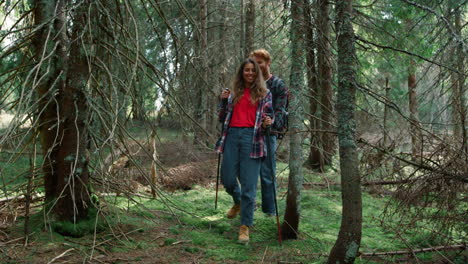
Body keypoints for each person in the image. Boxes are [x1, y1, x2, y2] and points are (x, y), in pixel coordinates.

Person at [216, 58, 274, 244]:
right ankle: (238, 201)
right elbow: (222, 117)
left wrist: (268, 121)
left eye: (252, 70)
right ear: (242, 73)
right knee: (227, 178)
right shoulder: (234, 93)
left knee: (249, 186)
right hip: (232, 136)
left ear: (257, 73)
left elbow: (269, 116)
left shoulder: (264, 93)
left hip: (253, 139)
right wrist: (223, 102)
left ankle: (245, 227)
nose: (249, 73)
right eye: (246, 70)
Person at [249, 49, 288, 217]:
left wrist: (272, 124)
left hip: (267, 134)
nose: (257, 67)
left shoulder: (278, 84)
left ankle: (270, 211)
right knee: (247, 173)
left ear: (267, 63)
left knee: (267, 173)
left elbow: (281, 111)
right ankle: (247, 207)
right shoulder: (250, 84)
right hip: (248, 132)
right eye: (254, 63)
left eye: (260, 63)